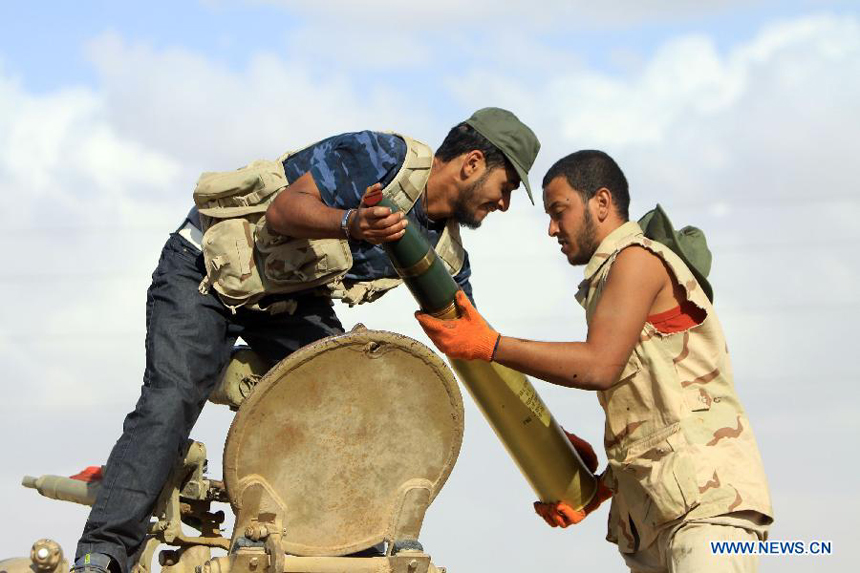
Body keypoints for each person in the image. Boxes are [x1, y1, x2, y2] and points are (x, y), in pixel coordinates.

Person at [73, 108, 541, 573]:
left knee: (348, 404)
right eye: (508, 187)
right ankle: (103, 554)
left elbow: (476, 343)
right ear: (473, 163)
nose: (504, 203)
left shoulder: (446, 254)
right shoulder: (385, 158)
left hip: (290, 301)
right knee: (170, 401)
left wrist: (544, 435)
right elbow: (283, 211)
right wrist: (351, 224)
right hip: (207, 273)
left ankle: (345, 545)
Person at [416, 150, 773, 572]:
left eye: (559, 211)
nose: (552, 229)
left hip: (706, 512)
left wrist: (490, 344)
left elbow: (598, 365)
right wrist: (599, 487)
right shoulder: (607, 281)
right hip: (656, 519)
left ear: (602, 203)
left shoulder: (638, 259)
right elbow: (658, 414)